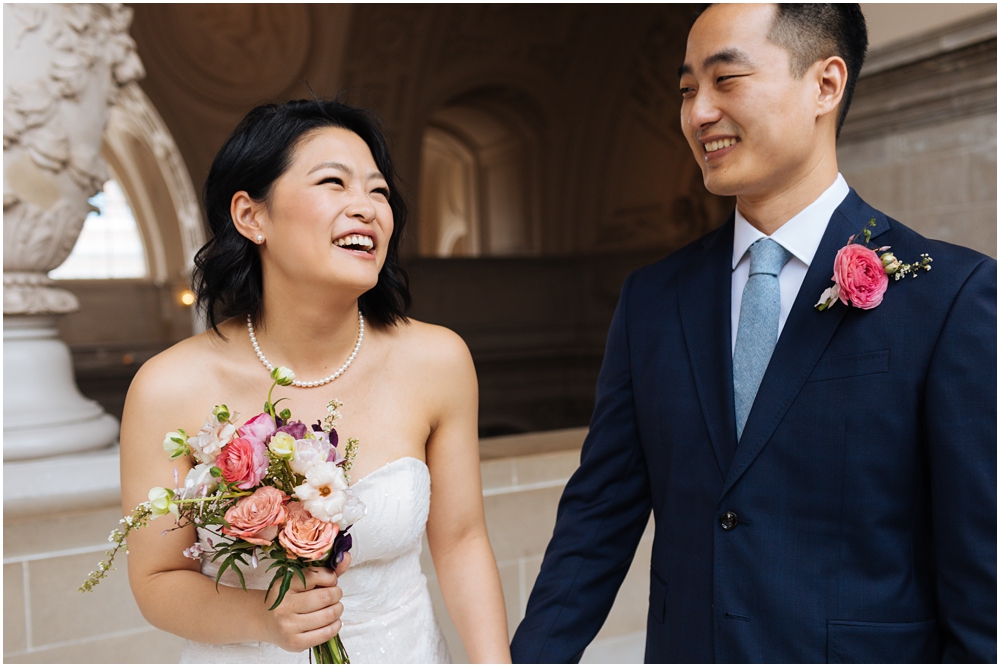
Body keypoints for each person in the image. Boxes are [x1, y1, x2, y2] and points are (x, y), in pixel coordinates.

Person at [511, 4, 996, 663]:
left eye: (725, 79)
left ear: (825, 84)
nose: (697, 113)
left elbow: (982, 585)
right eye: (686, 90)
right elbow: (596, 522)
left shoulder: (949, 295)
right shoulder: (653, 299)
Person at [121, 99, 512, 663]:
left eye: (378, 192)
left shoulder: (437, 359)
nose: (367, 208)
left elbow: (461, 542)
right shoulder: (169, 387)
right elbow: (156, 580)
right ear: (251, 216)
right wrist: (265, 616)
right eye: (335, 182)